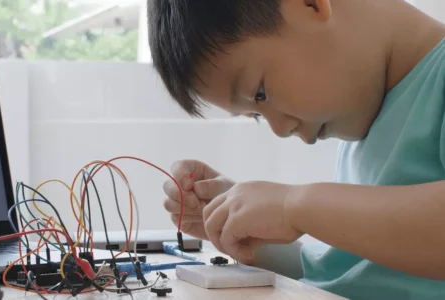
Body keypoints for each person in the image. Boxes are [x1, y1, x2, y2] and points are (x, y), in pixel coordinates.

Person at [147, 0, 445, 299]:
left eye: (260, 93)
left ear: (311, 5)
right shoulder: (364, 120)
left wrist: (294, 206)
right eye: (257, 116)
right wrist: (252, 233)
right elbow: (349, 271)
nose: (280, 129)